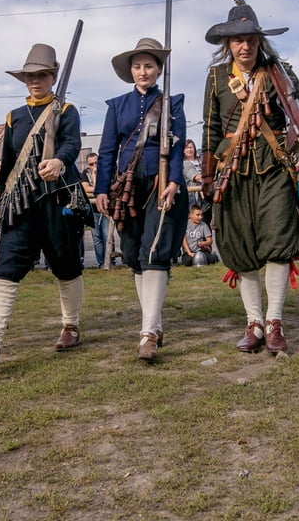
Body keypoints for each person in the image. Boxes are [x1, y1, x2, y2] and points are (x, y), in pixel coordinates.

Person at [201, 2, 299, 355]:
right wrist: (208, 176)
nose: (244, 46)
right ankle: (254, 324)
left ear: (259, 41)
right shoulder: (217, 77)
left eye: (250, 39)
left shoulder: (279, 70)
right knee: (241, 246)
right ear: (228, 43)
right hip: (232, 171)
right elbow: (210, 129)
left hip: (274, 165)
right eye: (238, 40)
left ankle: (275, 321)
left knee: (278, 240)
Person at [0, 43, 85, 368]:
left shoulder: (67, 111)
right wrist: (2, 200)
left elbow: (72, 143)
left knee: (66, 265)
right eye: (30, 75)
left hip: (57, 200)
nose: (35, 80)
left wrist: (59, 161)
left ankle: (70, 326)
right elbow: (7, 162)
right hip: (21, 204)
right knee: (6, 266)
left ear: (53, 77)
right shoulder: (14, 117)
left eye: (42, 75)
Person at [94, 37, 188, 362]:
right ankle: (155, 323)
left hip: (161, 185)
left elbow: (177, 146)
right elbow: (107, 151)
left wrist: (173, 180)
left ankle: (147, 333)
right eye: (137, 66)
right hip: (128, 188)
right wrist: (102, 189)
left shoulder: (173, 103)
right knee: (134, 255)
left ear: (158, 70)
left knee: (154, 252)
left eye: (149, 65)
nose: (143, 71)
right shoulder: (117, 106)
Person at [80, 152, 110, 270]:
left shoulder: (106, 171)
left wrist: (96, 187)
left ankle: (109, 260)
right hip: (93, 210)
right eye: (91, 164)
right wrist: (94, 177)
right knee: (96, 237)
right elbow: (85, 188)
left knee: (107, 236)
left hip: (105, 209)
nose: (94, 166)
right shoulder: (85, 173)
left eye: (96, 163)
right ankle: (101, 263)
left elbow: (109, 186)